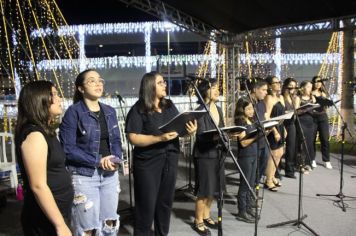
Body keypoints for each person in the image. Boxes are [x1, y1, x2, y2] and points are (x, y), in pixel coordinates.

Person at [125, 72, 197, 236]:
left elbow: (178, 130)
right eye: (160, 82)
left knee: (165, 204)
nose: (165, 84)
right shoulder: (139, 108)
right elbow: (133, 137)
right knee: (146, 207)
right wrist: (159, 138)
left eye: (164, 82)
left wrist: (189, 132)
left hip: (170, 159)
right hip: (148, 164)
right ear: (150, 86)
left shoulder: (169, 105)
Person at [59, 69, 122, 236]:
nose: (98, 83)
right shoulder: (73, 113)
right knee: (88, 228)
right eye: (92, 81)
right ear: (80, 88)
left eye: (100, 80)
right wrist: (98, 160)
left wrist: (115, 160)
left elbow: (116, 141)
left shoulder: (110, 111)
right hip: (84, 176)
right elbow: (68, 148)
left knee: (110, 222)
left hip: (110, 174)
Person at [15, 81, 73, 235]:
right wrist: (60, 225)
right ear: (39, 100)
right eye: (54, 94)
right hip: (45, 218)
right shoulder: (35, 135)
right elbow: (38, 185)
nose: (59, 98)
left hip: (56, 211)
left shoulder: (45, 131)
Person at [193, 79, 225, 235]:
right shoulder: (199, 111)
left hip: (218, 153)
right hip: (204, 154)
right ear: (205, 91)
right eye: (213, 88)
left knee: (214, 188)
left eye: (217, 88)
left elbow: (223, 128)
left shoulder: (219, 109)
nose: (217, 90)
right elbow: (201, 136)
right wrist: (217, 137)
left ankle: (206, 215)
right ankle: (198, 220)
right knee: (204, 189)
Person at [234, 97, 258, 223]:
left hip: (254, 154)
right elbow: (243, 143)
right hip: (245, 156)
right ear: (242, 110)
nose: (251, 111)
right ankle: (241, 211)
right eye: (248, 109)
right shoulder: (240, 122)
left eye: (252, 108)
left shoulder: (251, 120)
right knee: (245, 184)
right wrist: (257, 136)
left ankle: (248, 207)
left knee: (251, 183)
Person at [264, 76, 286, 191]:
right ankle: (268, 180)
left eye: (279, 82)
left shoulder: (281, 97)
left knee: (280, 153)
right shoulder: (268, 98)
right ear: (270, 85)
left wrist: (284, 129)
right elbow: (267, 116)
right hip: (273, 129)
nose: (278, 84)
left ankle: (272, 176)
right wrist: (275, 131)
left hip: (281, 127)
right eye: (275, 82)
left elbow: (282, 114)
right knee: (273, 154)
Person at [249, 78, 269, 182]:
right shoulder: (246, 102)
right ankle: (250, 186)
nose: (266, 93)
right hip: (252, 138)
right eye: (264, 90)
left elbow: (264, 118)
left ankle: (256, 183)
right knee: (252, 167)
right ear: (255, 89)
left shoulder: (261, 103)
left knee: (264, 159)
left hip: (262, 136)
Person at [311, 76, 332, 169]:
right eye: (316, 82)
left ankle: (326, 160)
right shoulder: (310, 93)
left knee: (324, 138)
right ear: (313, 83)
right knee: (312, 139)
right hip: (313, 117)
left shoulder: (323, 93)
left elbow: (326, 105)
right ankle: (312, 159)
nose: (318, 83)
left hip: (323, 117)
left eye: (319, 82)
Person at [297, 80, 316, 171]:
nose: (310, 89)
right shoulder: (298, 98)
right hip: (302, 122)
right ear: (303, 88)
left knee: (309, 143)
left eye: (311, 87)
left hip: (311, 122)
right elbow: (296, 111)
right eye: (308, 87)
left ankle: (308, 163)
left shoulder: (313, 98)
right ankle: (300, 163)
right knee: (302, 143)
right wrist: (305, 110)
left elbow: (315, 109)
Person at [282, 78, 300, 178]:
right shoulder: (281, 97)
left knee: (291, 147)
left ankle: (289, 170)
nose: (293, 88)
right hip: (282, 123)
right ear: (286, 86)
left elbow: (295, 112)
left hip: (291, 123)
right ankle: (275, 169)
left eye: (294, 86)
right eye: (290, 86)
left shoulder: (296, 98)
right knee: (279, 147)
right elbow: (280, 112)